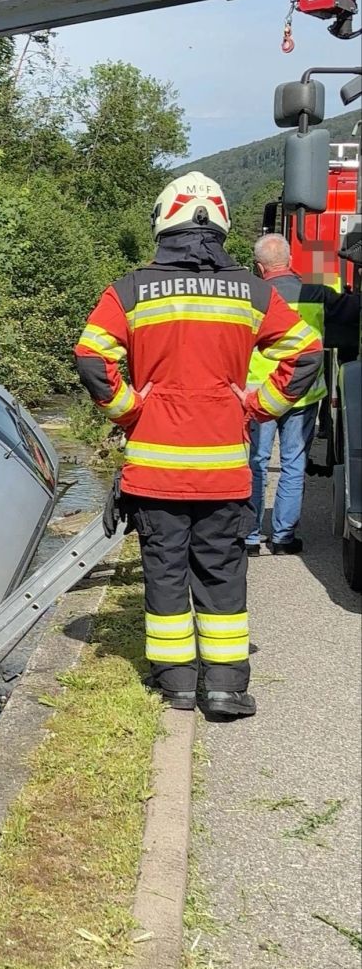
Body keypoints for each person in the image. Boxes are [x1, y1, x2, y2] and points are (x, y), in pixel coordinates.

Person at [74, 172, 323, 719]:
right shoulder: (253, 291)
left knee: (164, 572)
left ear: (164, 222)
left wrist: (131, 410)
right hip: (225, 472)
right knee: (222, 572)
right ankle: (227, 687)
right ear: (222, 224)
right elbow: (306, 354)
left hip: (156, 472)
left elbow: (92, 357)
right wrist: (258, 406)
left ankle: (178, 684)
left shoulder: (131, 289)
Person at [246, 232, 361, 555]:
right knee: (294, 464)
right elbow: (354, 312)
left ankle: (250, 538)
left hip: (260, 396)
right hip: (303, 393)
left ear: (259, 266)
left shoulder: (250, 297)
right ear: (290, 261)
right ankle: (283, 538)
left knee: (255, 463)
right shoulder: (317, 293)